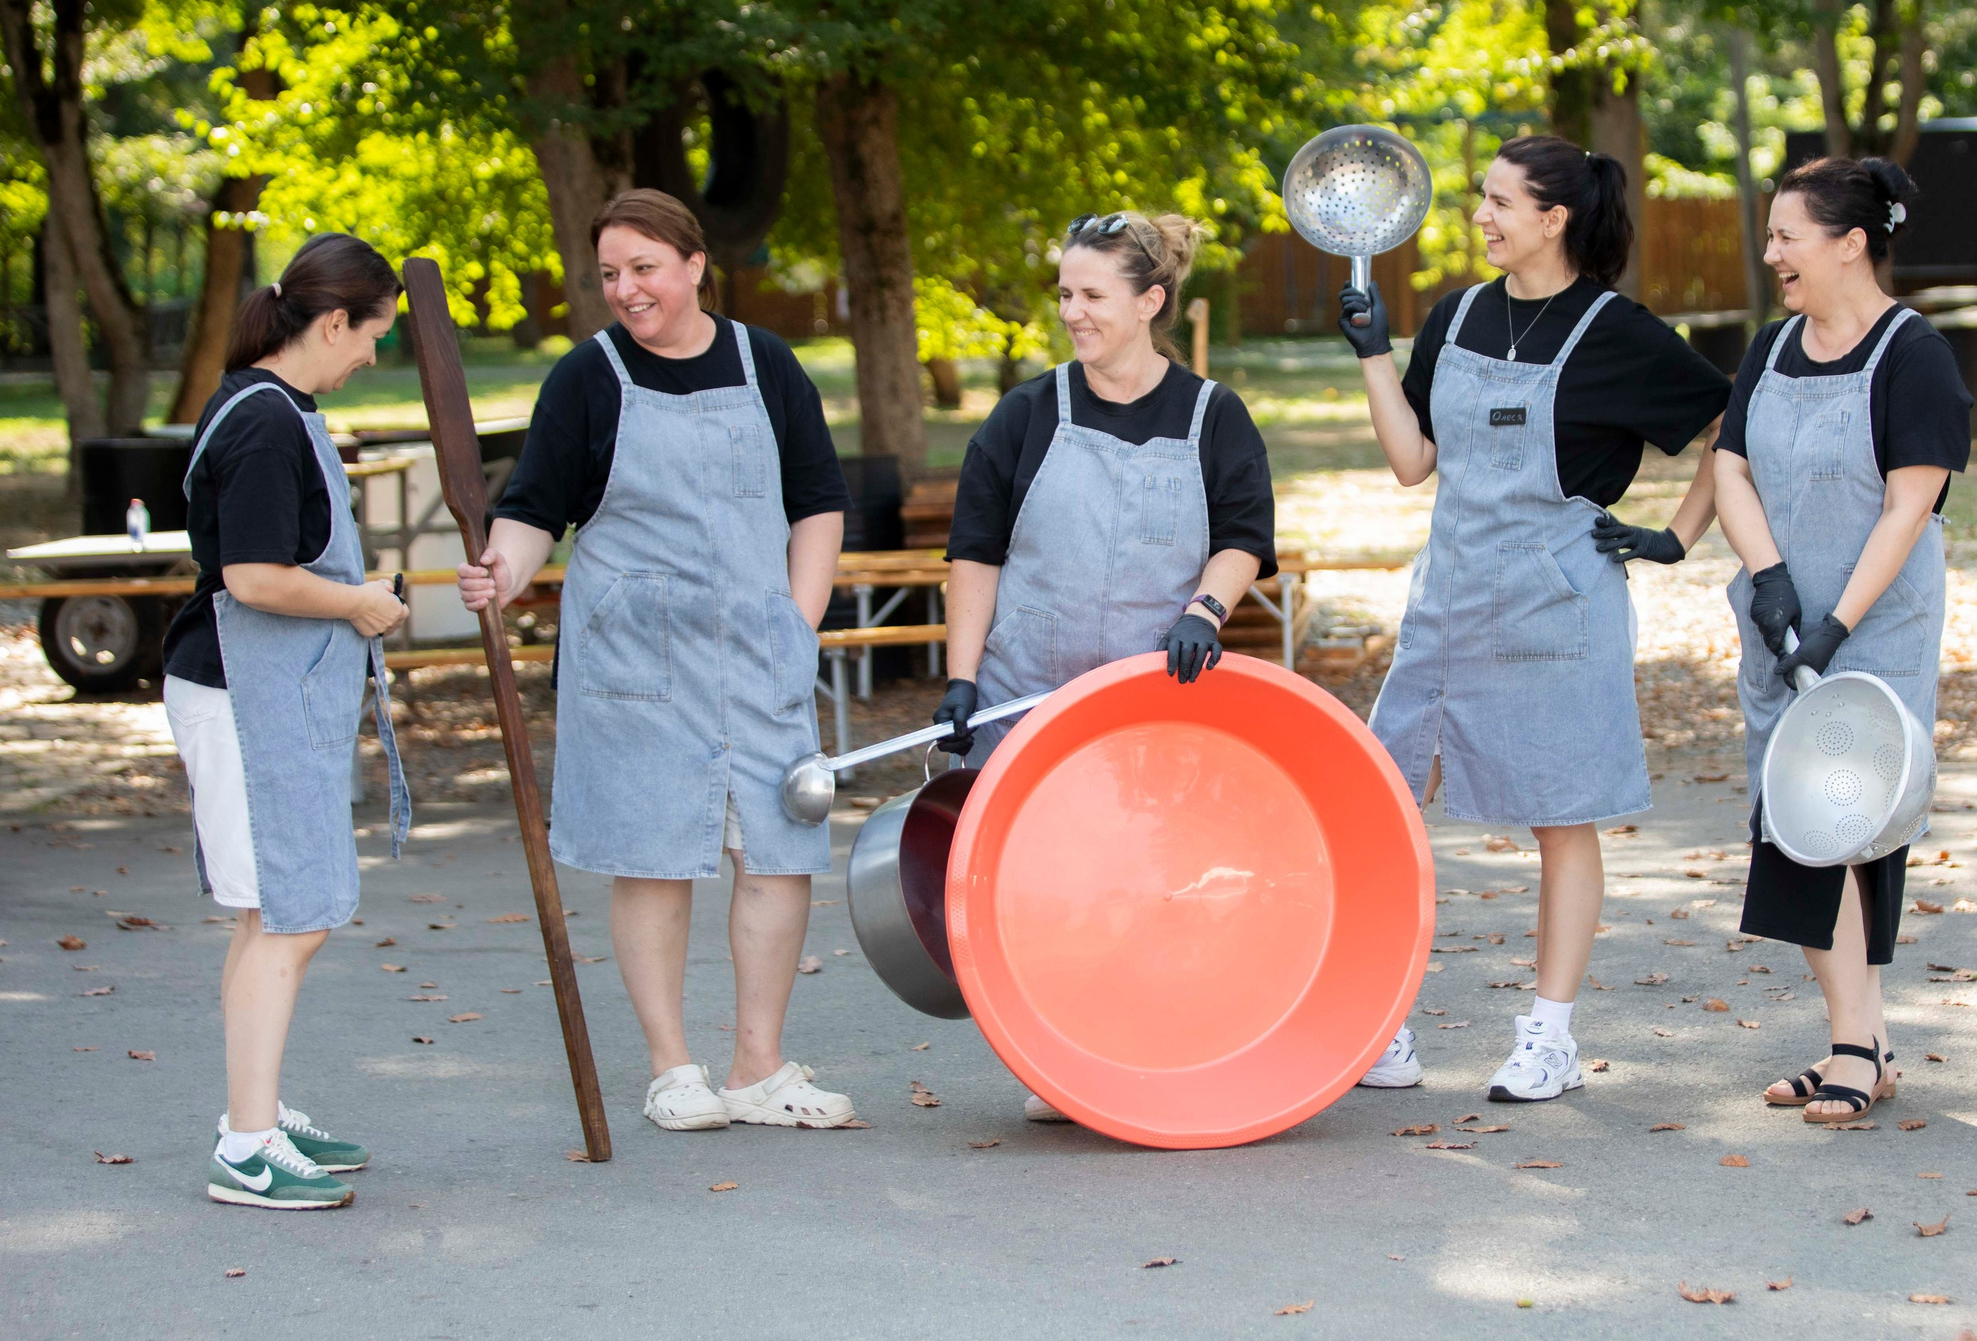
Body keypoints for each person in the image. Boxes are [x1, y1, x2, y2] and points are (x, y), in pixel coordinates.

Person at [1341, 136, 1731, 1103]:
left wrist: (1678, 535)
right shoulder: (1456, 316)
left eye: (1500, 201)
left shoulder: (1617, 331)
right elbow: (1412, 462)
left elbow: (1732, 426)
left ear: (1554, 219)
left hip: (1559, 606)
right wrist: (1374, 355)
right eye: (1482, 197)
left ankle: (1549, 1038)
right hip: (1449, 599)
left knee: (1561, 818)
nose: (1480, 215)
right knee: (1383, 804)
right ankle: (1377, 1022)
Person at [459, 190, 855, 1133]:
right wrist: (503, 569)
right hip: (633, 659)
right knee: (651, 859)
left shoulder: (767, 363)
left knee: (776, 852)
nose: (626, 289)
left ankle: (758, 1068)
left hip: (759, 652)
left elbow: (818, 503)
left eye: (643, 267)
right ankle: (673, 1070)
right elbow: (533, 509)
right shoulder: (586, 377)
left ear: (693, 265)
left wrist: (797, 626)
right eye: (609, 273)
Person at [935, 210, 1276, 1121]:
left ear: (1150, 301)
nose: (1072, 311)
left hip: (1152, 704)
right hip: (1027, 700)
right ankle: (1060, 1063)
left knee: (1151, 888)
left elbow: (1244, 535)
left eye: (1092, 294)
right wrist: (962, 678)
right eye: (1064, 293)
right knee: (1045, 891)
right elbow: (975, 552)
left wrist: (1205, 610)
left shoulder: (1212, 414)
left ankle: (1150, 1057)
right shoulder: (1027, 412)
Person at [1715, 157, 1973, 1125]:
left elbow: (1910, 505)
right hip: (1779, 628)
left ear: (1851, 242)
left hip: (1874, 632)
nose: (1771, 252)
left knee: (1850, 828)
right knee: (1794, 824)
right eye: (1770, 235)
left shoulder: (1914, 353)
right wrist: (1770, 579)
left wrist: (1836, 624)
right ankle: (1861, 1041)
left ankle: (1857, 1042)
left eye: (1788, 235)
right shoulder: (1772, 347)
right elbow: (1729, 467)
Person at [166, 233, 413, 1209]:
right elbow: (254, 577)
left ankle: (255, 1108)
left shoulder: (267, 404)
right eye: (373, 334)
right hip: (243, 694)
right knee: (289, 916)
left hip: (257, 693)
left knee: (268, 912)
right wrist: (359, 602)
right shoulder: (266, 421)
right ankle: (246, 1145)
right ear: (334, 321)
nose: (373, 354)